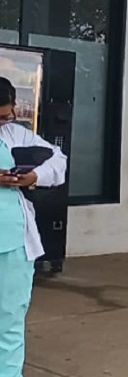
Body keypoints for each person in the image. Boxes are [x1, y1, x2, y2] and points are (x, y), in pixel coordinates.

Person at [0, 77, 67, 377]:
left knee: (9, 320)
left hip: (13, 245)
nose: (7, 121)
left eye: (8, 114)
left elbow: (58, 160)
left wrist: (34, 176)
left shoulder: (16, 135)